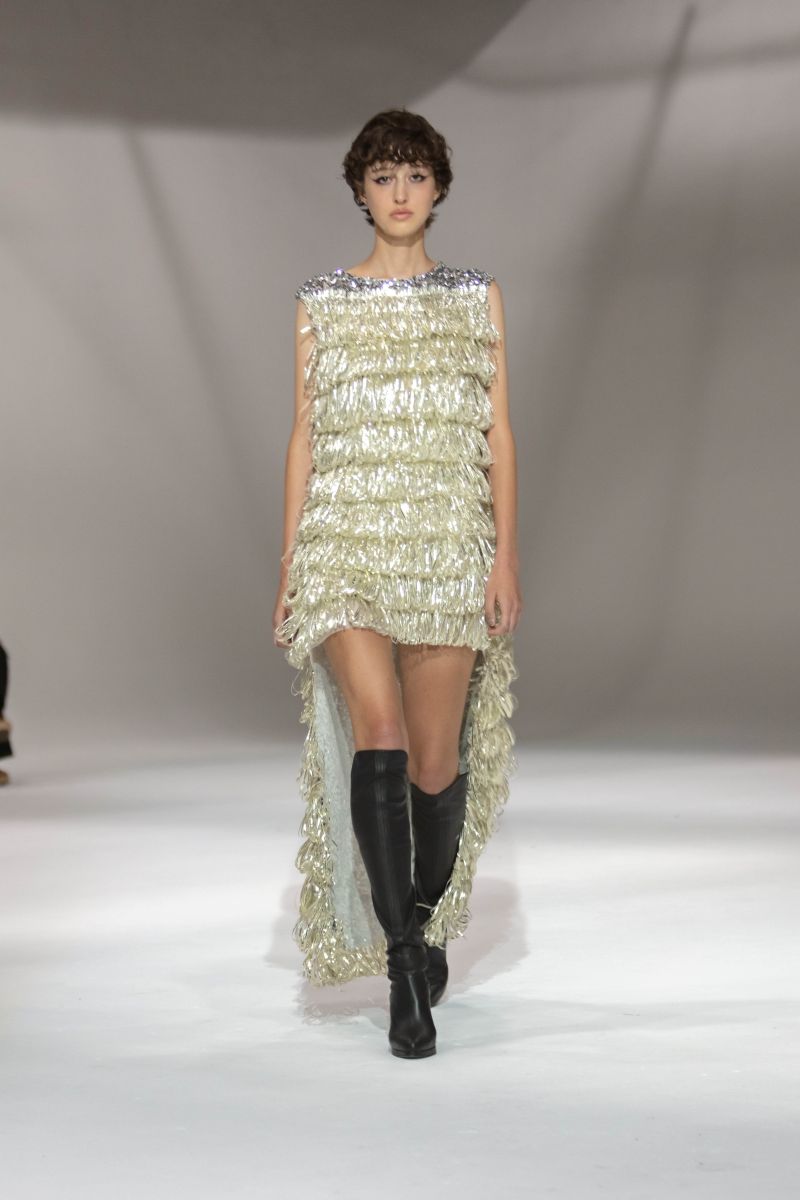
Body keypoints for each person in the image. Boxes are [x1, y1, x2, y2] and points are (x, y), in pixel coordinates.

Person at [273, 108, 522, 1059]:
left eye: (416, 174)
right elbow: (304, 433)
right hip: (344, 543)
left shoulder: (475, 296)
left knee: (434, 764)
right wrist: (290, 565)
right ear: (360, 190)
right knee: (377, 733)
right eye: (383, 176)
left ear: (440, 187)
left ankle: (423, 915)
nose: (401, 191)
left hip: (446, 544)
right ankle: (406, 962)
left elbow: (498, 432)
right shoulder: (320, 300)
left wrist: (504, 556)